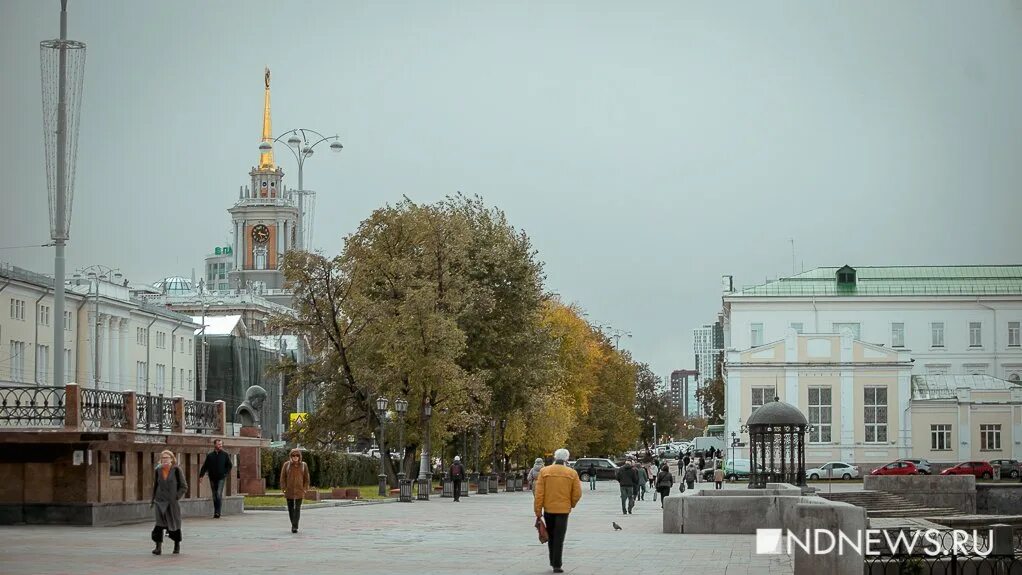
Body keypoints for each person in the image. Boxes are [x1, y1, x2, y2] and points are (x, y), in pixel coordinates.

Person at [533, 448, 582, 574]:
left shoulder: (544, 471)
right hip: (563, 510)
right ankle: (557, 565)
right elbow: (577, 493)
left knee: (551, 535)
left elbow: (539, 494)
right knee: (559, 537)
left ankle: (552, 560)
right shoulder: (572, 473)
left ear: (555, 458)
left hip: (549, 509)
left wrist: (538, 511)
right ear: (567, 459)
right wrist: (571, 503)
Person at [150, 449, 187, 555]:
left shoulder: (176, 470)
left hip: (172, 503)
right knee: (159, 524)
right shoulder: (158, 470)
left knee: (174, 524)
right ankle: (158, 548)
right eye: (163, 458)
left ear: (171, 459)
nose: (165, 460)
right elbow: (155, 485)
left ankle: (176, 545)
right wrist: (153, 499)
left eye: (167, 458)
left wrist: (176, 497)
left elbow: (184, 486)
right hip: (160, 501)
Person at [198, 438, 233, 518]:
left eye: (221, 444)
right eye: (218, 444)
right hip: (212, 478)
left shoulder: (225, 454)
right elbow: (205, 466)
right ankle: (215, 512)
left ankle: (218, 512)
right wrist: (201, 476)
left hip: (221, 477)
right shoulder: (210, 456)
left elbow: (229, 465)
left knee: (218, 494)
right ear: (215, 445)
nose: (220, 446)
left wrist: (225, 473)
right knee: (214, 495)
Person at [279, 448, 310, 533]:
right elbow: (282, 478)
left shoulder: (304, 465)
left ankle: (294, 526)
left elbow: (306, 479)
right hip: (289, 491)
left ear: (300, 456)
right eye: (293, 455)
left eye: (297, 455)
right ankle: (293, 524)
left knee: (297, 508)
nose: (295, 457)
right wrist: (284, 489)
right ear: (291, 456)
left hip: (300, 491)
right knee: (291, 509)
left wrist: (305, 489)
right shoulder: (287, 465)